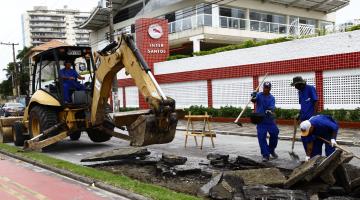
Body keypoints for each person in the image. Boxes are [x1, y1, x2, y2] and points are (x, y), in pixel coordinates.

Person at [251, 81, 279, 162]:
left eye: (268, 88)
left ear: (270, 89)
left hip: (270, 120)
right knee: (261, 137)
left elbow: (272, 107)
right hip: (260, 120)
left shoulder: (272, 98)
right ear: (263, 88)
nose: (266, 89)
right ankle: (265, 155)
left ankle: (271, 150)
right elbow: (254, 100)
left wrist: (269, 110)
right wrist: (253, 95)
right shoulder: (259, 95)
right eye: (265, 88)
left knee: (275, 133)